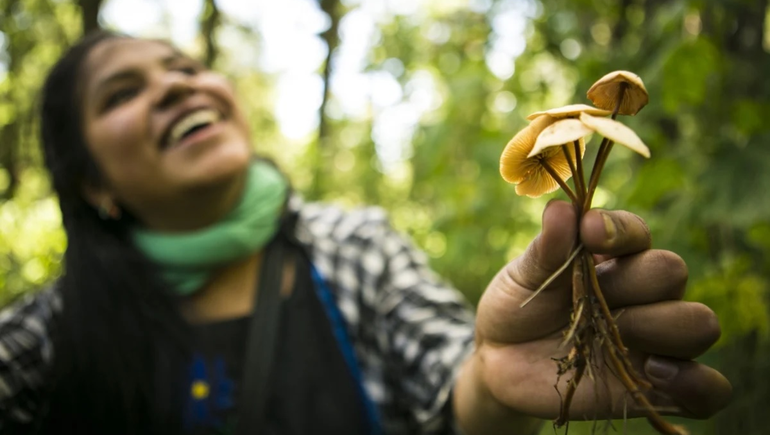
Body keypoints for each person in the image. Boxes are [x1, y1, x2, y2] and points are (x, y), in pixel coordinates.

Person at [0, 30, 731, 435]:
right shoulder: (40, 339)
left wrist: (494, 381)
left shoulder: (355, 249)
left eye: (183, 66)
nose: (173, 84)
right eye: (122, 93)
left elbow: (456, 385)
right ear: (92, 183)